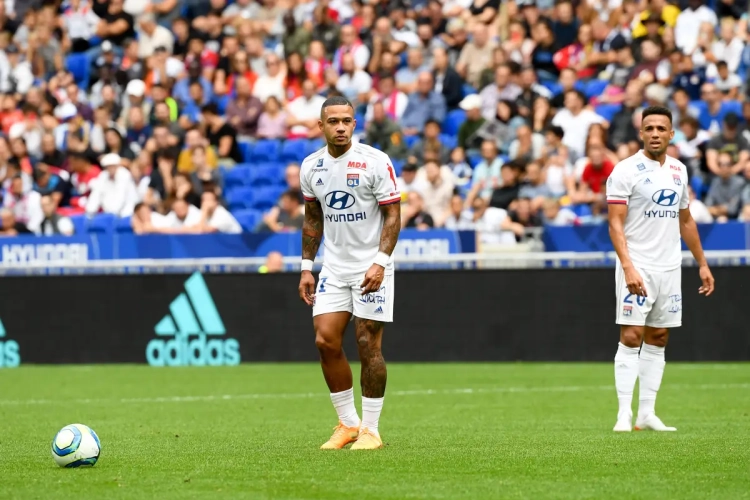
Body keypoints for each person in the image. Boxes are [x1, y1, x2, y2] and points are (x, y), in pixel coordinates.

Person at [298, 96, 401, 451]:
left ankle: (371, 430)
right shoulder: (311, 166)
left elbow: (392, 214)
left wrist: (381, 262)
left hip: (371, 267)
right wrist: (305, 268)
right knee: (325, 339)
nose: (340, 127)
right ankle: (348, 424)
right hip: (334, 267)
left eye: (346, 121)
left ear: (354, 125)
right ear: (321, 126)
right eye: (333, 121)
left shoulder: (375, 161)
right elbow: (313, 220)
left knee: (366, 344)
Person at [606, 106, 715, 433]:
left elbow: (686, 220)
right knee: (631, 334)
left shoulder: (680, 170)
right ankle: (623, 414)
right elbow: (614, 224)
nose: (655, 133)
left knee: (659, 336)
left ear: (671, 134)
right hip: (637, 264)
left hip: (669, 267)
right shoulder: (625, 170)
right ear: (641, 132)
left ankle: (647, 414)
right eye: (649, 127)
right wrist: (628, 267)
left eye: (661, 128)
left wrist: (703, 264)